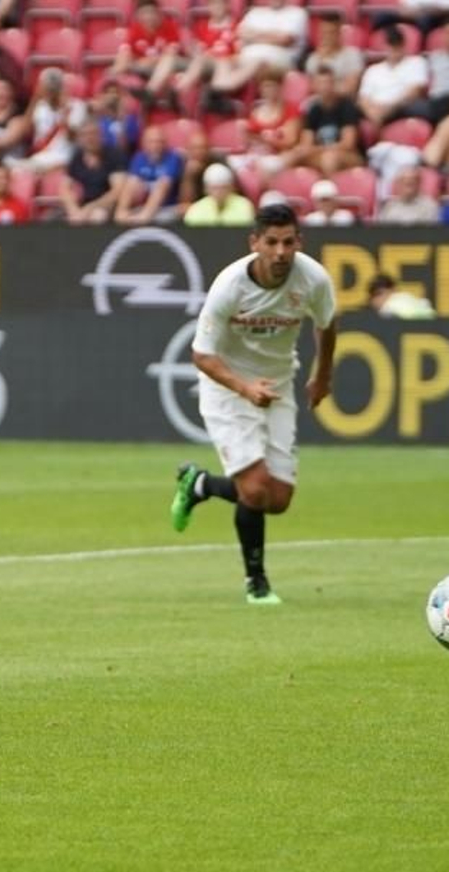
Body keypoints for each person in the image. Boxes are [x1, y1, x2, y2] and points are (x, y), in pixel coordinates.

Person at [168, 204, 338, 606]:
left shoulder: (313, 279)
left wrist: (323, 376)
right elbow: (202, 355)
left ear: (299, 241)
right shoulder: (230, 285)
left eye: (288, 242)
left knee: (278, 500)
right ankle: (256, 582)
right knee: (256, 488)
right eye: (272, 243)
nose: (280, 252)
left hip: (277, 385)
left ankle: (200, 484)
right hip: (228, 388)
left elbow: (327, 325)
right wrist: (245, 388)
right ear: (255, 243)